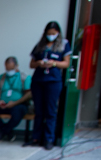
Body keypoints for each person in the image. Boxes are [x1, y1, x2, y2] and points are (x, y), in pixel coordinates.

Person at [27, 21, 72, 149]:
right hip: (38, 81)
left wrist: (54, 63)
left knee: (50, 111)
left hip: (53, 81)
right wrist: (39, 63)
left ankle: (49, 139)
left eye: (53, 33)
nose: (51, 35)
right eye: (49, 33)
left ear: (58, 33)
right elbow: (32, 64)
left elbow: (66, 63)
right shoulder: (40, 45)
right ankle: (36, 138)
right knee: (39, 111)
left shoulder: (64, 44)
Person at [0, 57, 32, 141]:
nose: (9, 71)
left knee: (18, 112)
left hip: (18, 104)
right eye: (7, 69)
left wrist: (15, 103)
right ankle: (7, 131)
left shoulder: (24, 77)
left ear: (17, 66)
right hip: (2, 104)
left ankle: (3, 132)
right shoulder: (1, 77)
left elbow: (29, 94)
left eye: (11, 69)